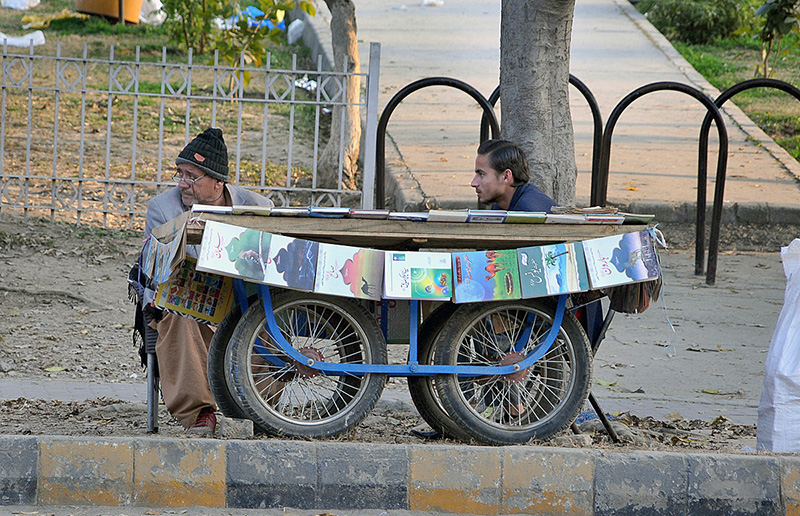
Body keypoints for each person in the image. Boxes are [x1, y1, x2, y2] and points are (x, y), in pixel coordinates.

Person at [144, 127, 273, 435]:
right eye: (180, 174)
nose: (183, 184)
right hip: (189, 300)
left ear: (218, 181)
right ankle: (200, 413)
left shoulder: (258, 207)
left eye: (192, 176)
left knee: (266, 317)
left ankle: (261, 409)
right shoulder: (162, 208)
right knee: (180, 319)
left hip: (241, 300)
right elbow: (153, 266)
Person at [470, 139, 557, 213]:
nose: (473, 183)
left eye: (481, 174)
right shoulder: (501, 206)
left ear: (506, 176)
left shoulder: (527, 211)